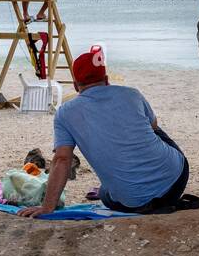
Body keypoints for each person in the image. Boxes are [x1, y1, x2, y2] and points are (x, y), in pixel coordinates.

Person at [18, 45, 189, 218]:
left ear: (76, 86)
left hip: (132, 204)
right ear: (106, 79)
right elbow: (153, 128)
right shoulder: (132, 95)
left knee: (105, 194)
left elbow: (62, 159)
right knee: (152, 129)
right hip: (176, 181)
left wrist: (47, 208)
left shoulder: (65, 113)